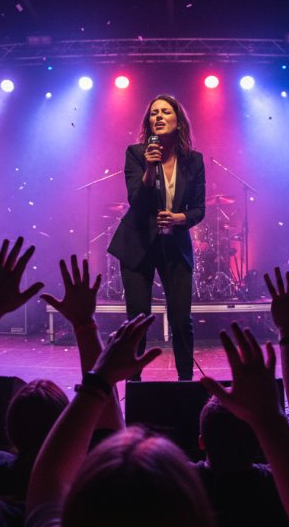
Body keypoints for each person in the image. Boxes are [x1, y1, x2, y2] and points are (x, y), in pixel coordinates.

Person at [108, 95, 205, 381]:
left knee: (180, 320)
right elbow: (137, 201)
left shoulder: (194, 161)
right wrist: (150, 168)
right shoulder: (136, 153)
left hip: (175, 244)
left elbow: (200, 208)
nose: (158, 117)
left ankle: (186, 383)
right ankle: (135, 384)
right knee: (137, 320)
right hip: (137, 243)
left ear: (178, 120)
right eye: (153, 113)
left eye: (165, 112)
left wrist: (180, 219)